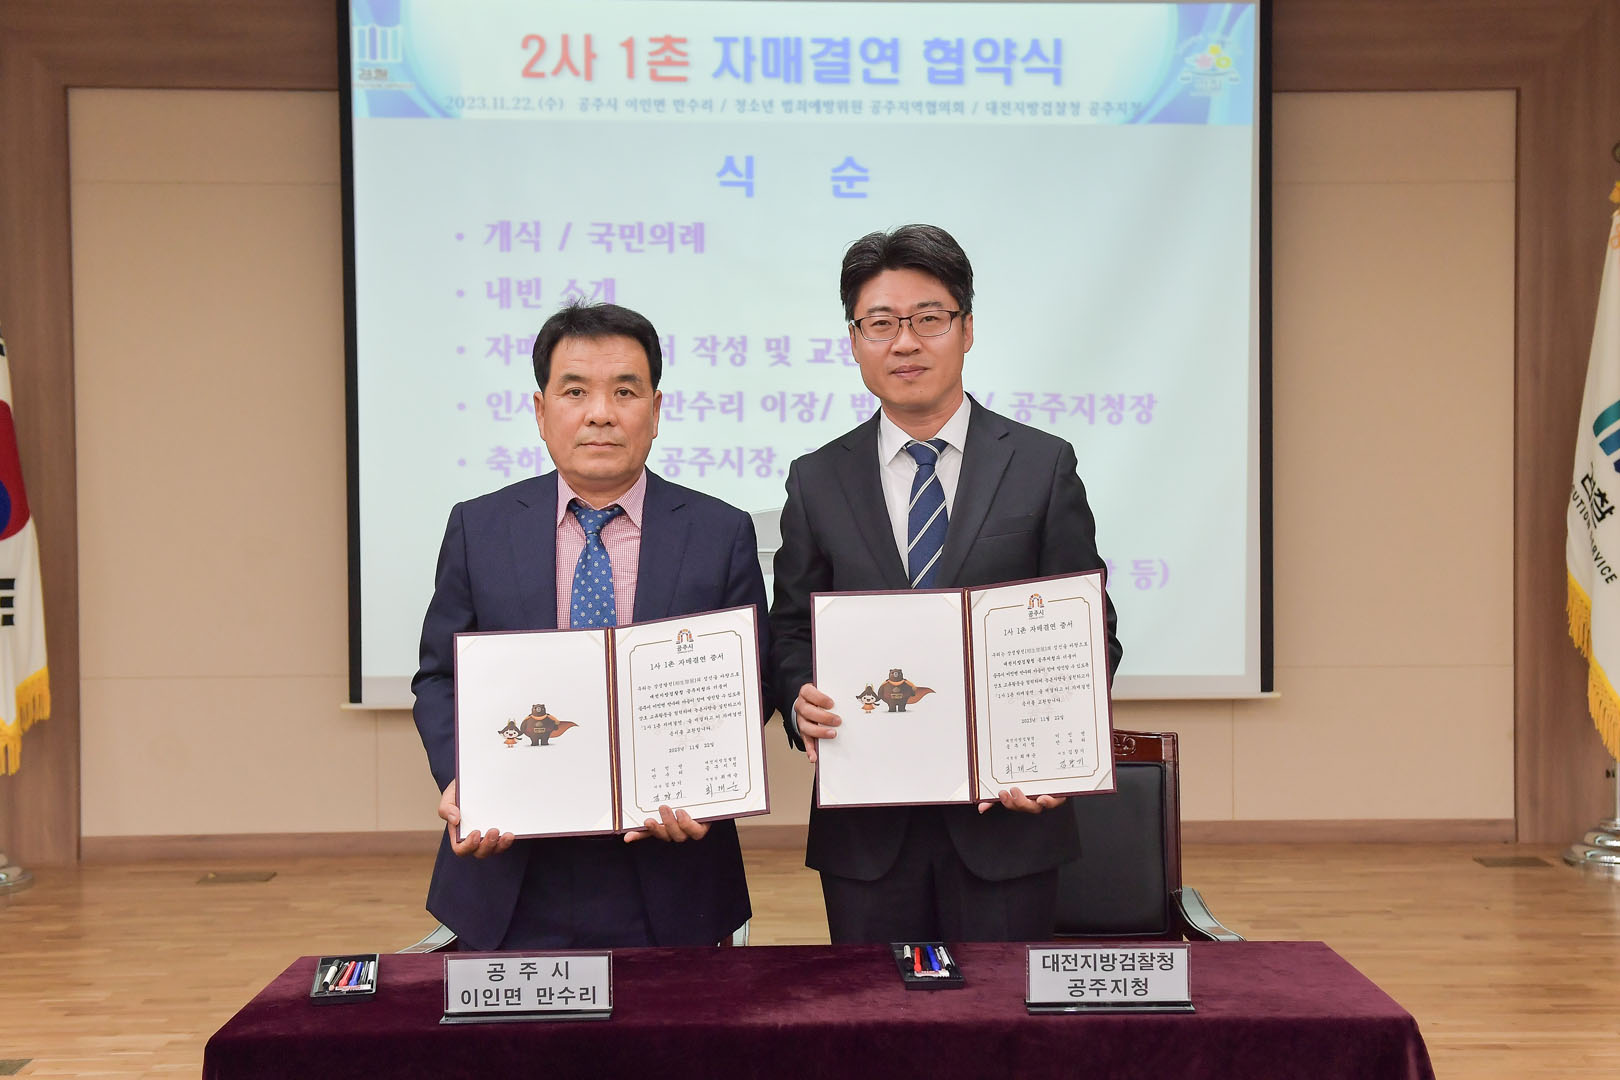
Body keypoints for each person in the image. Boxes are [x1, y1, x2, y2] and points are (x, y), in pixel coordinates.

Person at [769, 224, 1123, 944]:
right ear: (854, 340)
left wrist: (1052, 750)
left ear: (966, 329)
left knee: (1001, 1012)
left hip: (1008, 818)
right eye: (880, 323)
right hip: (867, 830)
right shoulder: (816, 479)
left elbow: (1091, 632)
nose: (905, 343)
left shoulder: (1041, 465)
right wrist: (797, 693)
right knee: (872, 1010)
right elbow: (790, 628)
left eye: (928, 319)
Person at [413, 301, 768, 951]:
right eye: (575, 391)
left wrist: (708, 790)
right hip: (510, 867)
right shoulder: (478, 528)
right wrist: (464, 777)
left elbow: (751, 685)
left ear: (655, 410)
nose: (600, 412)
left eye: (625, 391)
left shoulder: (720, 532)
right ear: (541, 411)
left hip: (673, 867)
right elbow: (439, 677)